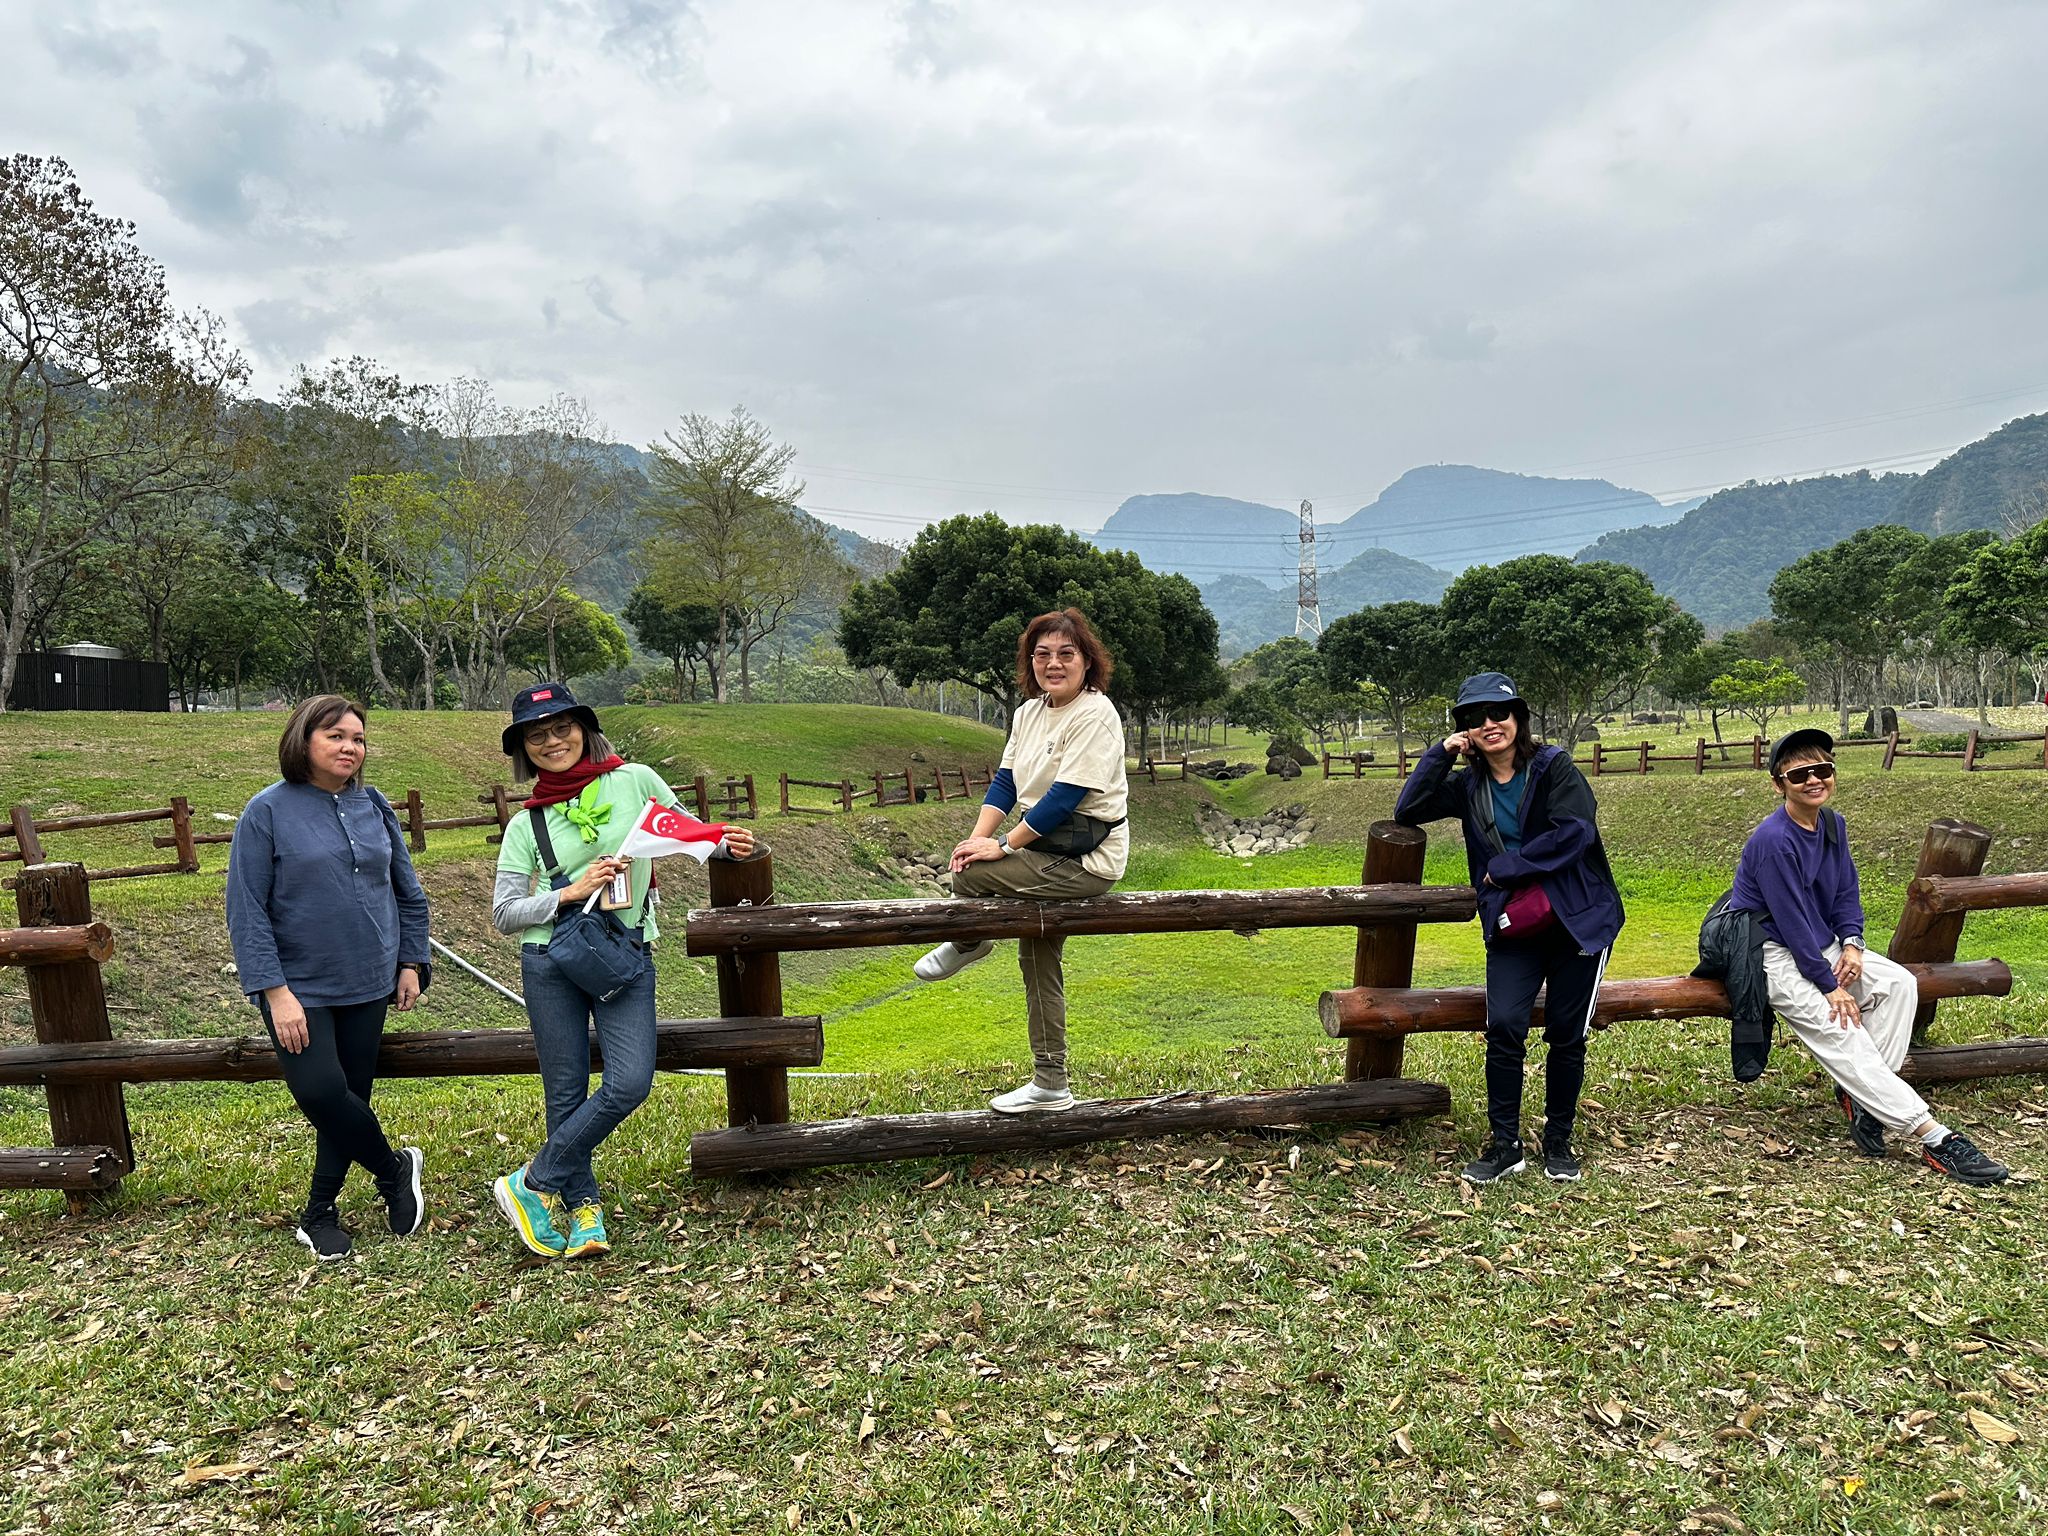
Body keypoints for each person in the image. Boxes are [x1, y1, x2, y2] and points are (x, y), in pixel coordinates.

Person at [489, 682, 755, 1259]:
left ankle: (531, 1182)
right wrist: (569, 892)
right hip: (550, 960)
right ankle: (584, 1211)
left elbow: (687, 834)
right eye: (537, 735)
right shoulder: (525, 824)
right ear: (523, 750)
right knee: (565, 1091)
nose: (553, 741)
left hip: (626, 954)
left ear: (584, 730)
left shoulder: (635, 780)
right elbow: (505, 913)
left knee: (630, 1081)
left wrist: (727, 844)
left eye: (563, 727)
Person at [1725, 728, 2008, 1185]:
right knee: (1843, 1030)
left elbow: (1845, 892)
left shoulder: (1832, 825)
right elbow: (1790, 921)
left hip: (1821, 942)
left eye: (1823, 769)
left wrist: (1853, 943)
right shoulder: (1773, 841)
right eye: (1799, 775)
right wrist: (1829, 986)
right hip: (1772, 950)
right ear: (1779, 785)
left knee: (1899, 985)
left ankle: (1863, 1099)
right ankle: (1934, 1137)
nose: (1814, 780)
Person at [1394, 672, 1625, 1184]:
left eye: (1498, 713)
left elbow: (1575, 833)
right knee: (1503, 1028)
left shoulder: (1553, 767)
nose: (1489, 724)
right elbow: (1408, 809)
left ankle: (1559, 1140)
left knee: (1566, 1034)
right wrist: (1440, 753)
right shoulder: (1468, 785)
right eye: (1474, 718)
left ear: (1518, 718)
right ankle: (1505, 1145)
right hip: (1513, 924)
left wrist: (1506, 868)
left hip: (1576, 920)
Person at [225, 696, 431, 1261]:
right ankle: (393, 1170)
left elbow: (408, 892)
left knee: (348, 1099)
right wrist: (275, 992)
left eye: (357, 739)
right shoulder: (266, 811)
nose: (349, 747)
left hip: (369, 979)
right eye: (335, 736)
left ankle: (319, 1212)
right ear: (303, 739)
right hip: (298, 987)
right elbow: (246, 909)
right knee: (319, 1092)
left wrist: (411, 962)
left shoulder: (375, 806)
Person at [912, 609, 1130, 1113]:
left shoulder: (1096, 713)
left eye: (1066, 654)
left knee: (973, 878)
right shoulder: (1029, 712)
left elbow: (1065, 797)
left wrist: (1003, 847)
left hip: (1084, 860)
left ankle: (970, 939)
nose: (1054, 664)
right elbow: (1006, 783)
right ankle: (1051, 1083)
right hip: (1043, 850)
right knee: (1037, 961)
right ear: (1030, 661)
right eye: (1042, 654)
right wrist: (975, 839)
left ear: (1087, 661)